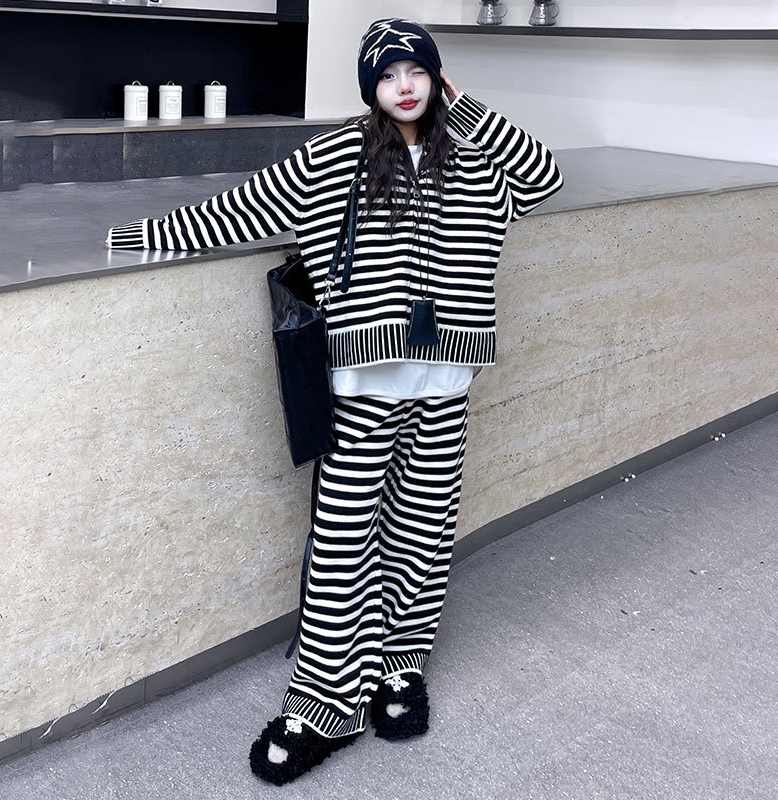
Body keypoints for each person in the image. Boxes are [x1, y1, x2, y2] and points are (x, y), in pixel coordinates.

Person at [106, 16, 564, 787]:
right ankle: (326, 704)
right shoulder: (334, 156)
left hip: (445, 384)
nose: (404, 87)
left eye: (417, 71)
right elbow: (236, 210)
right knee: (342, 545)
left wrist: (467, 109)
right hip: (361, 388)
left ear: (438, 78)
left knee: (423, 532)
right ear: (369, 87)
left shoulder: (477, 155)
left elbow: (544, 176)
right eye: (387, 75)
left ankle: (401, 668)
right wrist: (128, 238)